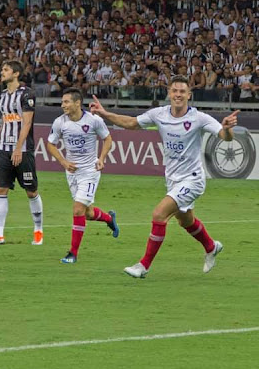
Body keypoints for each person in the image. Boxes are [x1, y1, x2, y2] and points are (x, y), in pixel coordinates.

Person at [89, 75, 239, 278]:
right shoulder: (159, 114)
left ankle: (143, 266)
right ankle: (211, 247)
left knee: (159, 214)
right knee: (186, 221)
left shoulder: (199, 118)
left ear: (189, 95)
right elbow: (132, 123)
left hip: (193, 179)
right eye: (175, 91)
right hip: (173, 179)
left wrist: (228, 129)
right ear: (169, 93)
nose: (178, 95)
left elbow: (223, 135)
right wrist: (104, 113)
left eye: (182, 92)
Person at [46, 88, 119, 264]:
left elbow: (108, 139)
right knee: (86, 213)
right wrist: (63, 162)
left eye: (66, 102)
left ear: (77, 103)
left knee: (77, 209)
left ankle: (72, 253)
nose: (62, 105)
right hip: (71, 172)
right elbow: (50, 144)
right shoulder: (60, 122)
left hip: (90, 171)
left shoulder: (93, 120)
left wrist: (101, 158)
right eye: (62, 102)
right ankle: (109, 218)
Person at [0, 61, 44, 246]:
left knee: (31, 191)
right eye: (2, 69)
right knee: (0, 189)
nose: (1, 72)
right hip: (3, 149)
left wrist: (18, 148)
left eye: (5, 70)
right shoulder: (4, 95)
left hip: (22, 150)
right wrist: (2, 146)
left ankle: (38, 230)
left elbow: (27, 123)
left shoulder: (27, 94)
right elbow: (6, 121)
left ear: (16, 73)